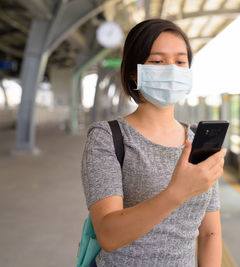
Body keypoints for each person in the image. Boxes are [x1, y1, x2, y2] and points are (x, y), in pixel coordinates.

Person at [81, 19, 226, 267]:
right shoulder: (107, 138)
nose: (171, 69)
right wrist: (177, 192)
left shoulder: (196, 140)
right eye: (157, 61)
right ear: (134, 73)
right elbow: (108, 235)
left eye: (180, 62)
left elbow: (210, 232)